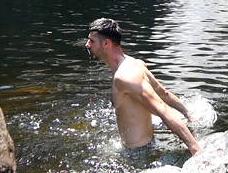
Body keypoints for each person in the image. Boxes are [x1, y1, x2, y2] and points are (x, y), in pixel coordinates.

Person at [85, 17, 201, 156]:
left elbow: (163, 110)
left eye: (92, 41)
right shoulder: (135, 63)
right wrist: (188, 114)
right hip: (145, 146)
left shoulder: (125, 76)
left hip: (138, 155)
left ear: (106, 44)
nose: (87, 45)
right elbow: (164, 93)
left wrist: (195, 149)